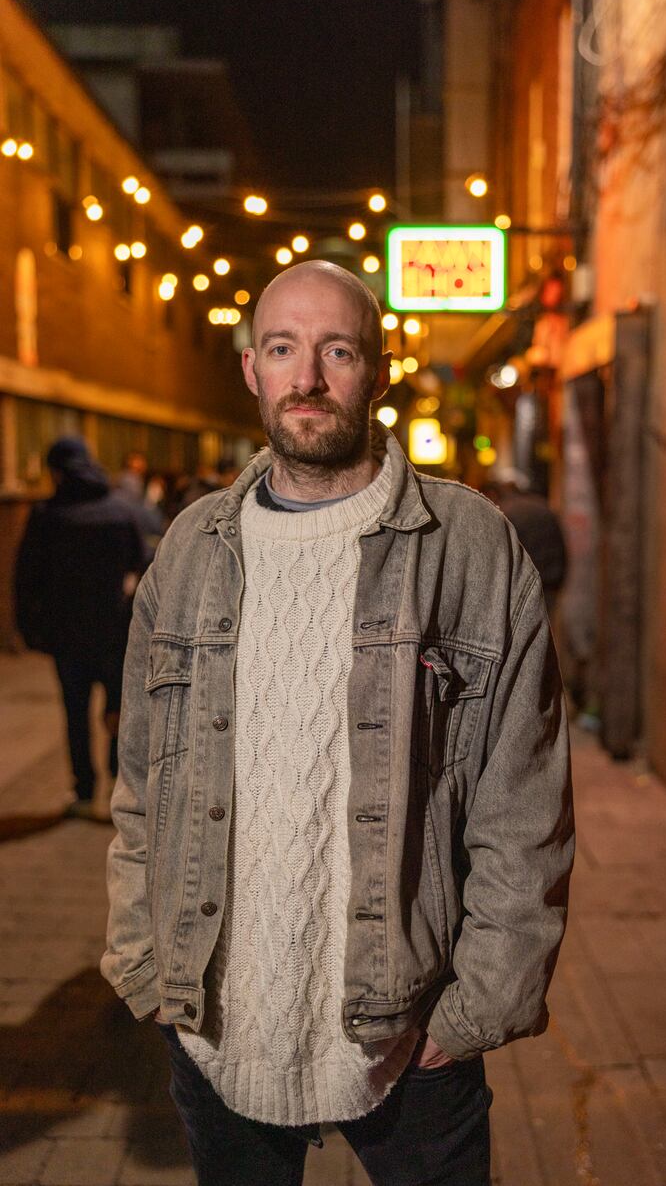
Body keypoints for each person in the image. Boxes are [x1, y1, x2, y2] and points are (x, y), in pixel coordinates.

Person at [101, 261, 574, 1185]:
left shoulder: (469, 548)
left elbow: (525, 801)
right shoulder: (192, 550)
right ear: (252, 370)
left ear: (379, 369)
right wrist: (141, 959)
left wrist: (477, 1005)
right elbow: (142, 783)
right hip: (216, 1027)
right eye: (282, 349)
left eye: (337, 350)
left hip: (411, 1032)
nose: (307, 376)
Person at [14, 436, 146, 819]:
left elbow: (27, 579)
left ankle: (84, 791)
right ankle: (119, 786)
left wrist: (30, 628)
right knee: (119, 710)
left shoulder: (46, 517)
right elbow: (141, 567)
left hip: (67, 636)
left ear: (56, 471)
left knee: (75, 714)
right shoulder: (120, 511)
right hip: (115, 633)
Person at [486, 472, 567, 615]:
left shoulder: (503, 511)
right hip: (548, 581)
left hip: (519, 585)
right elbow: (560, 546)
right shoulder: (543, 506)